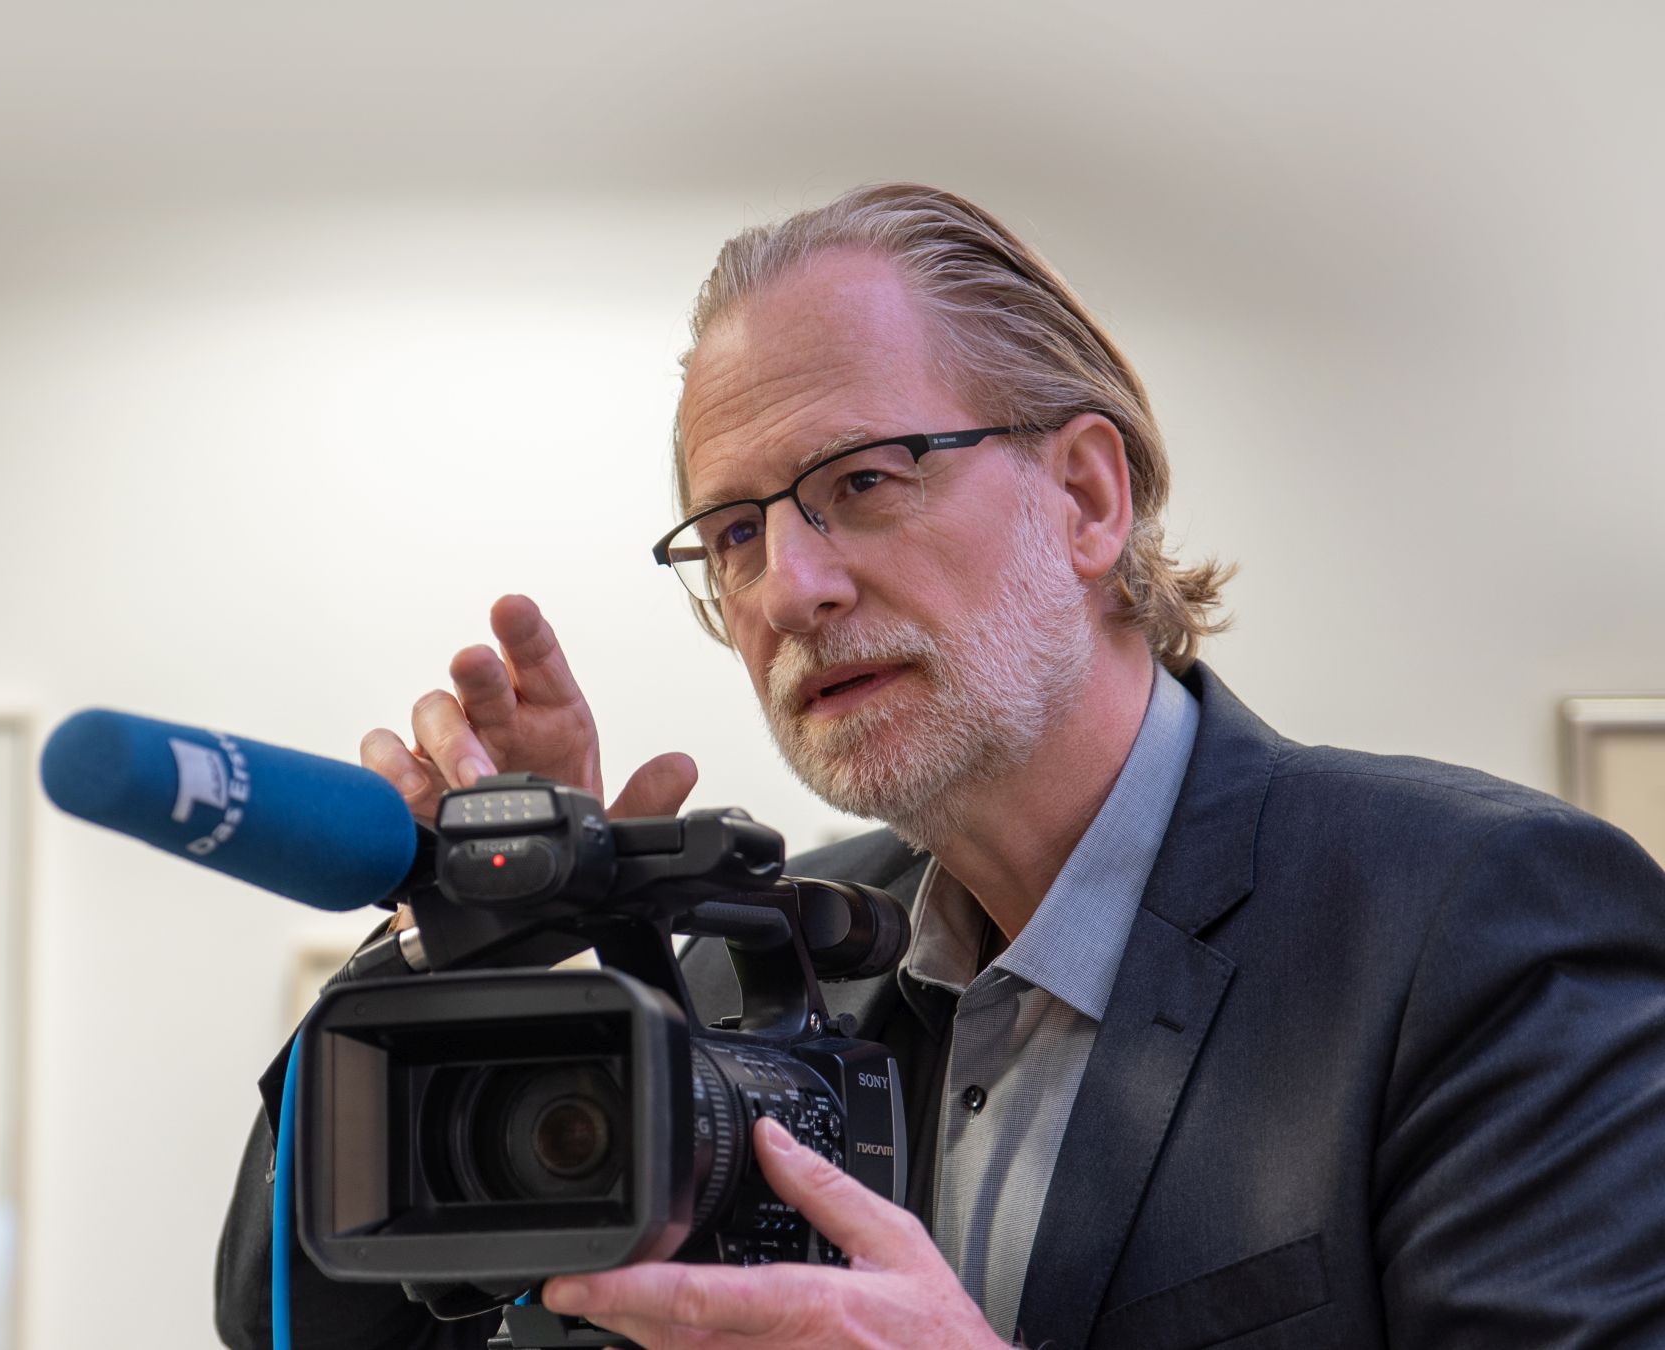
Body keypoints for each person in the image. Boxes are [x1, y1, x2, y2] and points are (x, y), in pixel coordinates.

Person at [215, 183, 1665, 1349]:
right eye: (734, 535)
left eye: (862, 481)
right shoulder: (751, 959)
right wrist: (468, 945)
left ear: (1087, 496)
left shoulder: (1476, 926)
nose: (791, 588)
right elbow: (321, 1325)